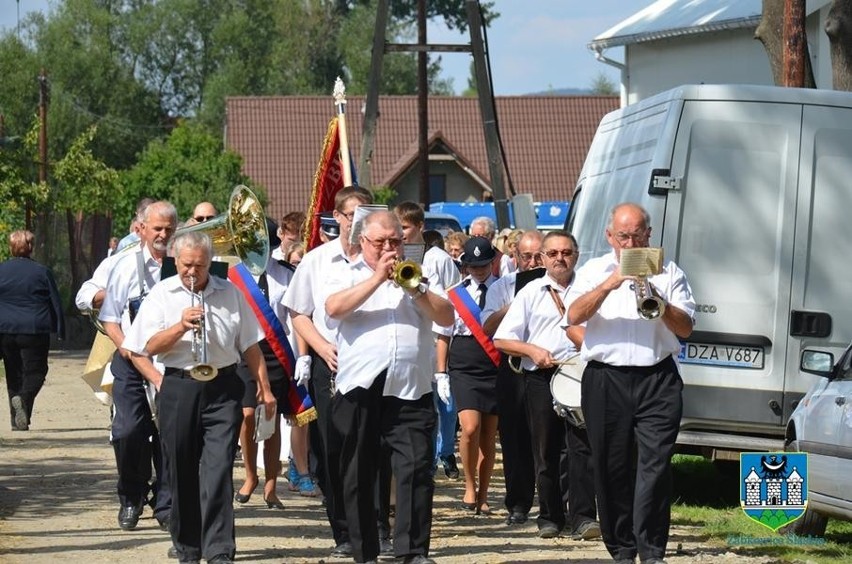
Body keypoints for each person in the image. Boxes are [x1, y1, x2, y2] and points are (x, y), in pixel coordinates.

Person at [122, 231, 276, 564]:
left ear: (210, 264)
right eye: (187, 265)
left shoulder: (230, 293)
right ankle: (189, 547)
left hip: (223, 387)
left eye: (200, 266)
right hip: (179, 386)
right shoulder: (162, 294)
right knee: (181, 469)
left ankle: (220, 550)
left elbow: (250, 344)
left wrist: (265, 386)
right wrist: (179, 326)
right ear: (175, 261)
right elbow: (147, 347)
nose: (193, 273)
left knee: (219, 469)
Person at [565, 202, 695, 564]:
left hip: (657, 378)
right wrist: (610, 284)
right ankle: (622, 548)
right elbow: (573, 315)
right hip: (606, 378)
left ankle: (651, 550)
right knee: (611, 466)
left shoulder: (669, 271)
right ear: (610, 236)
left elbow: (685, 329)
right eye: (623, 235)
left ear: (649, 235)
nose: (630, 241)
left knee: (656, 465)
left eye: (637, 234)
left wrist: (657, 296)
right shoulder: (593, 270)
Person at [325, 210, 454, 564]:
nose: (388, 248)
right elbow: (333, 308)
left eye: (394, 241)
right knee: (359, 472)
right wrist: (377, 279)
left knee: (416, 467)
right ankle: (365, 551)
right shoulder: (344, 272)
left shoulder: (420, 275)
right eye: (379, 242)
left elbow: (447, 317)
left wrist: (417, 290)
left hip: (410, 387)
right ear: (362, 242)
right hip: (360, 388)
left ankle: (412, 551)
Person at [283, 186, 373, 558]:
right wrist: (318, 348)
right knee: (332, 448)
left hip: (373, 363)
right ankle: (343, 531)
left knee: (370, 448)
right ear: (337, 217)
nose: (359, 223)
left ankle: (373, 524)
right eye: (353, 215)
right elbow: (298, 312)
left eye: (366, 216)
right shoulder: (317, 261)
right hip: (330, 363)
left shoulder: (380, 259)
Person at [493, 231, 599, 540]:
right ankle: (550, 516)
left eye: (566, 252)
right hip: (540, 377)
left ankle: (582, 517)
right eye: (552, 253)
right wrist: (532, 351)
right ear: (542, 259)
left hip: (580, 374)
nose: (559, 258)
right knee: (545, 449)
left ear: (576, 256)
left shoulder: (590, 290)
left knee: (582, 448)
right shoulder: (531, 292)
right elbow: (502, 338)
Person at [99, 201, 176, 532]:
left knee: (171, 436)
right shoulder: (124, 266)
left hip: (172, 360)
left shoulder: (183, 263)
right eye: (156, 228)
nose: (162, 234)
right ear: (141, 229)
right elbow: (110, 318)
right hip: (131, 359)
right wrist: (126, 349)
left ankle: (167, 501)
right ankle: (131, 495)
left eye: (168, 229)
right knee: (129, 431)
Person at [394, 202, 462, 480]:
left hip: (438, 336)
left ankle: (444, 450)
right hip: (411, 337)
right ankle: (425, 455)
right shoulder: (394, 255)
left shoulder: (438, 258)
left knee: (443, 400)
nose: (402, 233)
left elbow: (452, 300)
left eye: (406, 228)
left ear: (420, 226)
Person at [481, 230, 543, 525]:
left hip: (548, 367)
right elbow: (488, 327)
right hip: (513, 366)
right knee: (514, 437)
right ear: (515, 256)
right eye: (527, 256)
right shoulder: (502, 287)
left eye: (538, 256)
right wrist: (515, 303)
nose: (533, 262)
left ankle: (556, 503)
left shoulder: (559, 285)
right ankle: (518, 503)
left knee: (551, 440)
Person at [233, 255, 300, 509]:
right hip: (244, 348)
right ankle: (251, 475)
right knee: (248, 414)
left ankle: (271, 486)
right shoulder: (234, 273)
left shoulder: (284, 273)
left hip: (276, 352)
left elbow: (295, 314)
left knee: (271, 419)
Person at [444, 236, 500, 514]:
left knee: (489, 434)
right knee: (470, 428)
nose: (478, 269)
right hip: (464, 362)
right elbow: (443, 335)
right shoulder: (454, 293)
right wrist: (440, 372)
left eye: (484, 264)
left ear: (493, 261)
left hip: (494, 361)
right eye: (473, 264)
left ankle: (484, 493)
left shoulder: (504, 289)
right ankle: (469, 485)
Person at [0, 230, 65, 431]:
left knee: (14, 372)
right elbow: (55, 301)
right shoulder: (41, 271)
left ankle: (17, 421)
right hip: (34, 329)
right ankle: (24, 398)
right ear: (31, 247)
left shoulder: (1, 270)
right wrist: (61, 329)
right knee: (37, 371)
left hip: (5, 329)